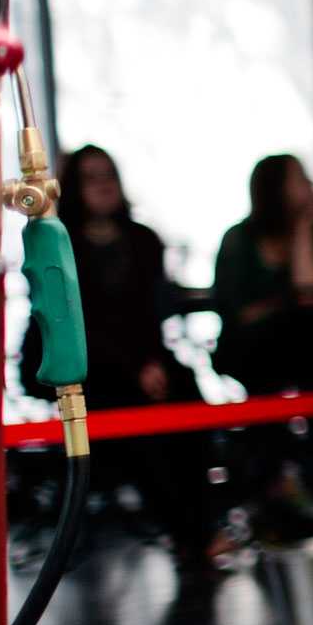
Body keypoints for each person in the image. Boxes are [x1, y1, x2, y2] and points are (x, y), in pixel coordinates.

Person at [19, 145, 226, 569]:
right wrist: (137, 368)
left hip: (144, 358)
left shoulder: (143, 240)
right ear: (74, 186)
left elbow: (149, 314)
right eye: (91, 176)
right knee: (136, 416)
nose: (103, 184)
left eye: (108, 174)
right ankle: (189, 533)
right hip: (82, 362)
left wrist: (151, 364)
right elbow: (77, 320)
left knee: (188, 394)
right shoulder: (60, 242)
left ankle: (203, 525)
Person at [212, 153, 313, 396]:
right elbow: (241, 312)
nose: (311, 186)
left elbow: (312, 295)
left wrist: (304, 225)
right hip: (251, 352)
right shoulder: (239, 240)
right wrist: (289, 304)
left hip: (306, 349)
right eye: (301, 179)